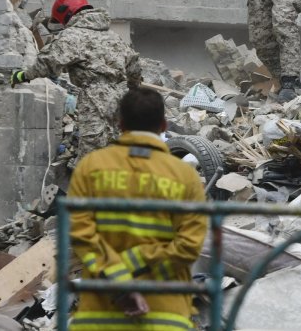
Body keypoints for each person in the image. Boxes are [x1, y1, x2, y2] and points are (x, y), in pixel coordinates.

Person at [68, 87, 207, 331]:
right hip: (165, 317)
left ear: (120, 124)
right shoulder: (185, 176)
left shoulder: (91, 167)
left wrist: (121, 281)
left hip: (100, 317)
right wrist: (137, 262)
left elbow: (80, 236)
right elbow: (189, 247)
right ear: (163, 125)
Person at [11, 0, 142, 165]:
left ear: (68, 14)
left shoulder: (73, 36)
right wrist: (133, 88)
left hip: (95, 99)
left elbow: (49, 62)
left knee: (92, 151)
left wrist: (23, 75)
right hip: (120, 98)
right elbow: (134, 65)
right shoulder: (113, 36)